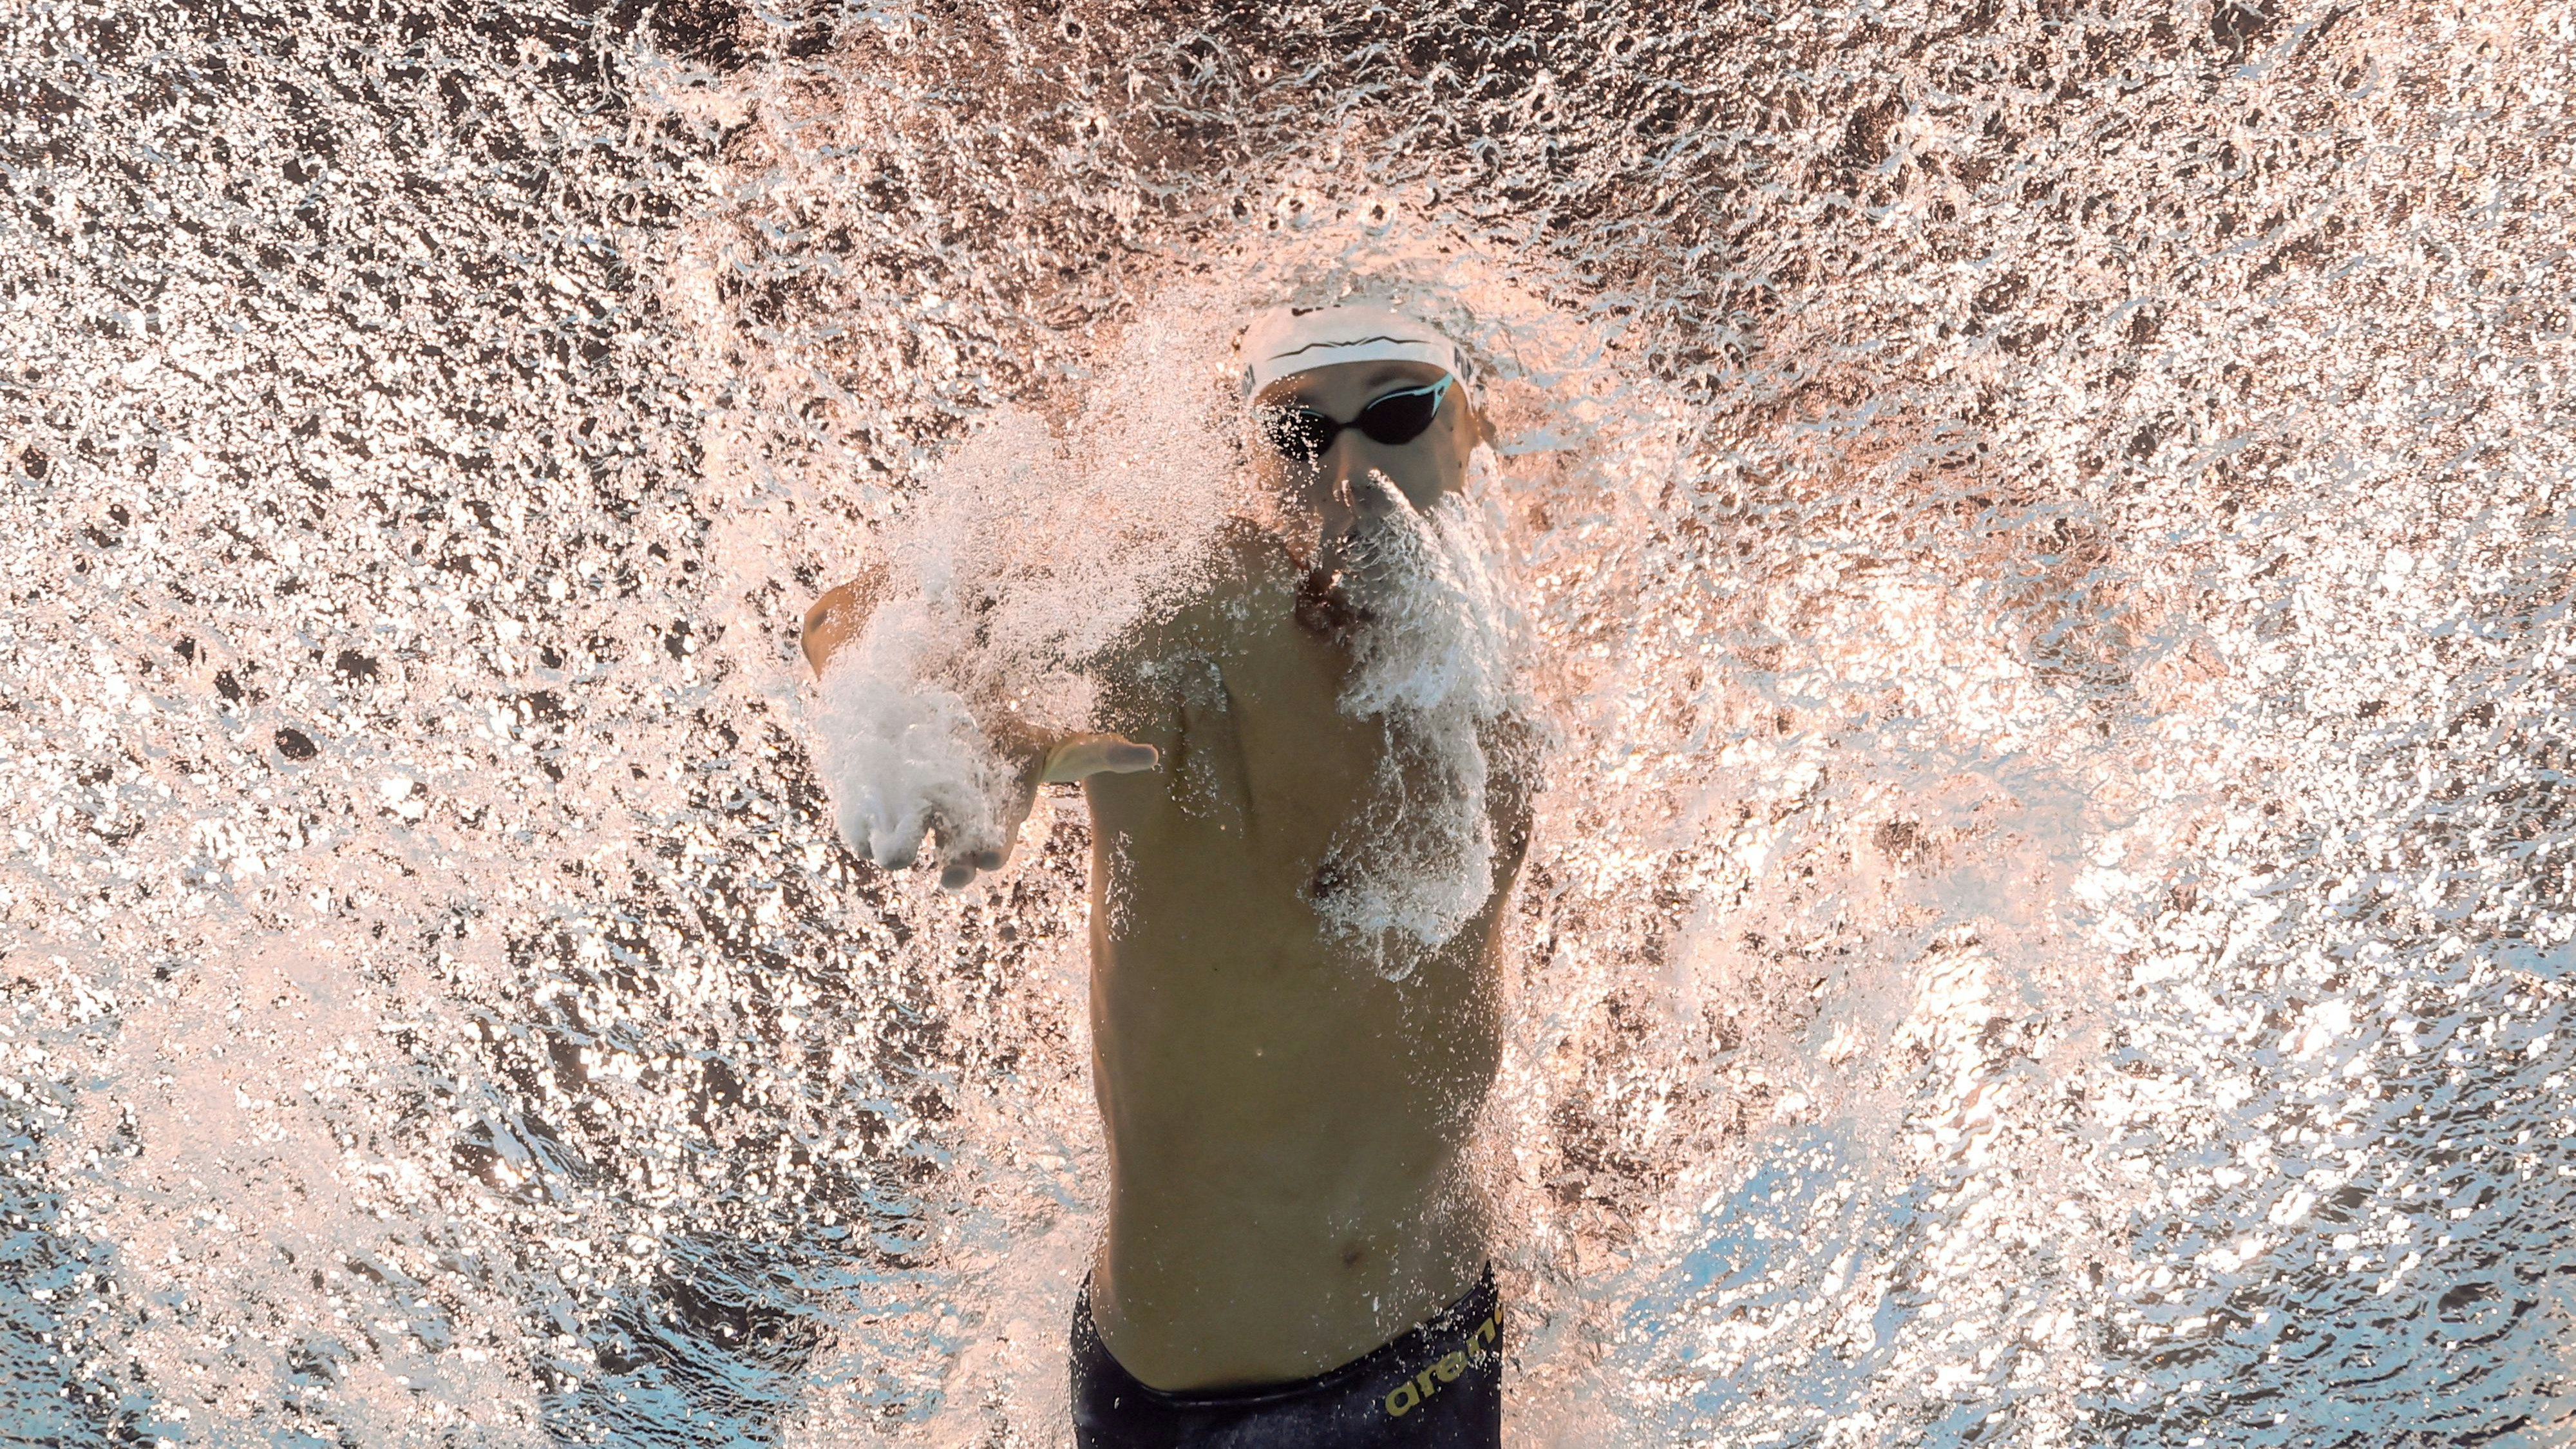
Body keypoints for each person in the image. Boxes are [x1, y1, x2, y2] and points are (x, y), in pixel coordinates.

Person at [803, 303, 1532, 1447]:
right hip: (1205, 1407)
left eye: (1396, 414)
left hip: (1442, 1348)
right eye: (1300, 434)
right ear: (1252, 462)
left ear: (1476, 429)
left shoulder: (1489, 672)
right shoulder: (1200, 610)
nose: (1349, 473)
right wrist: (946, 738)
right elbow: (854, 618)